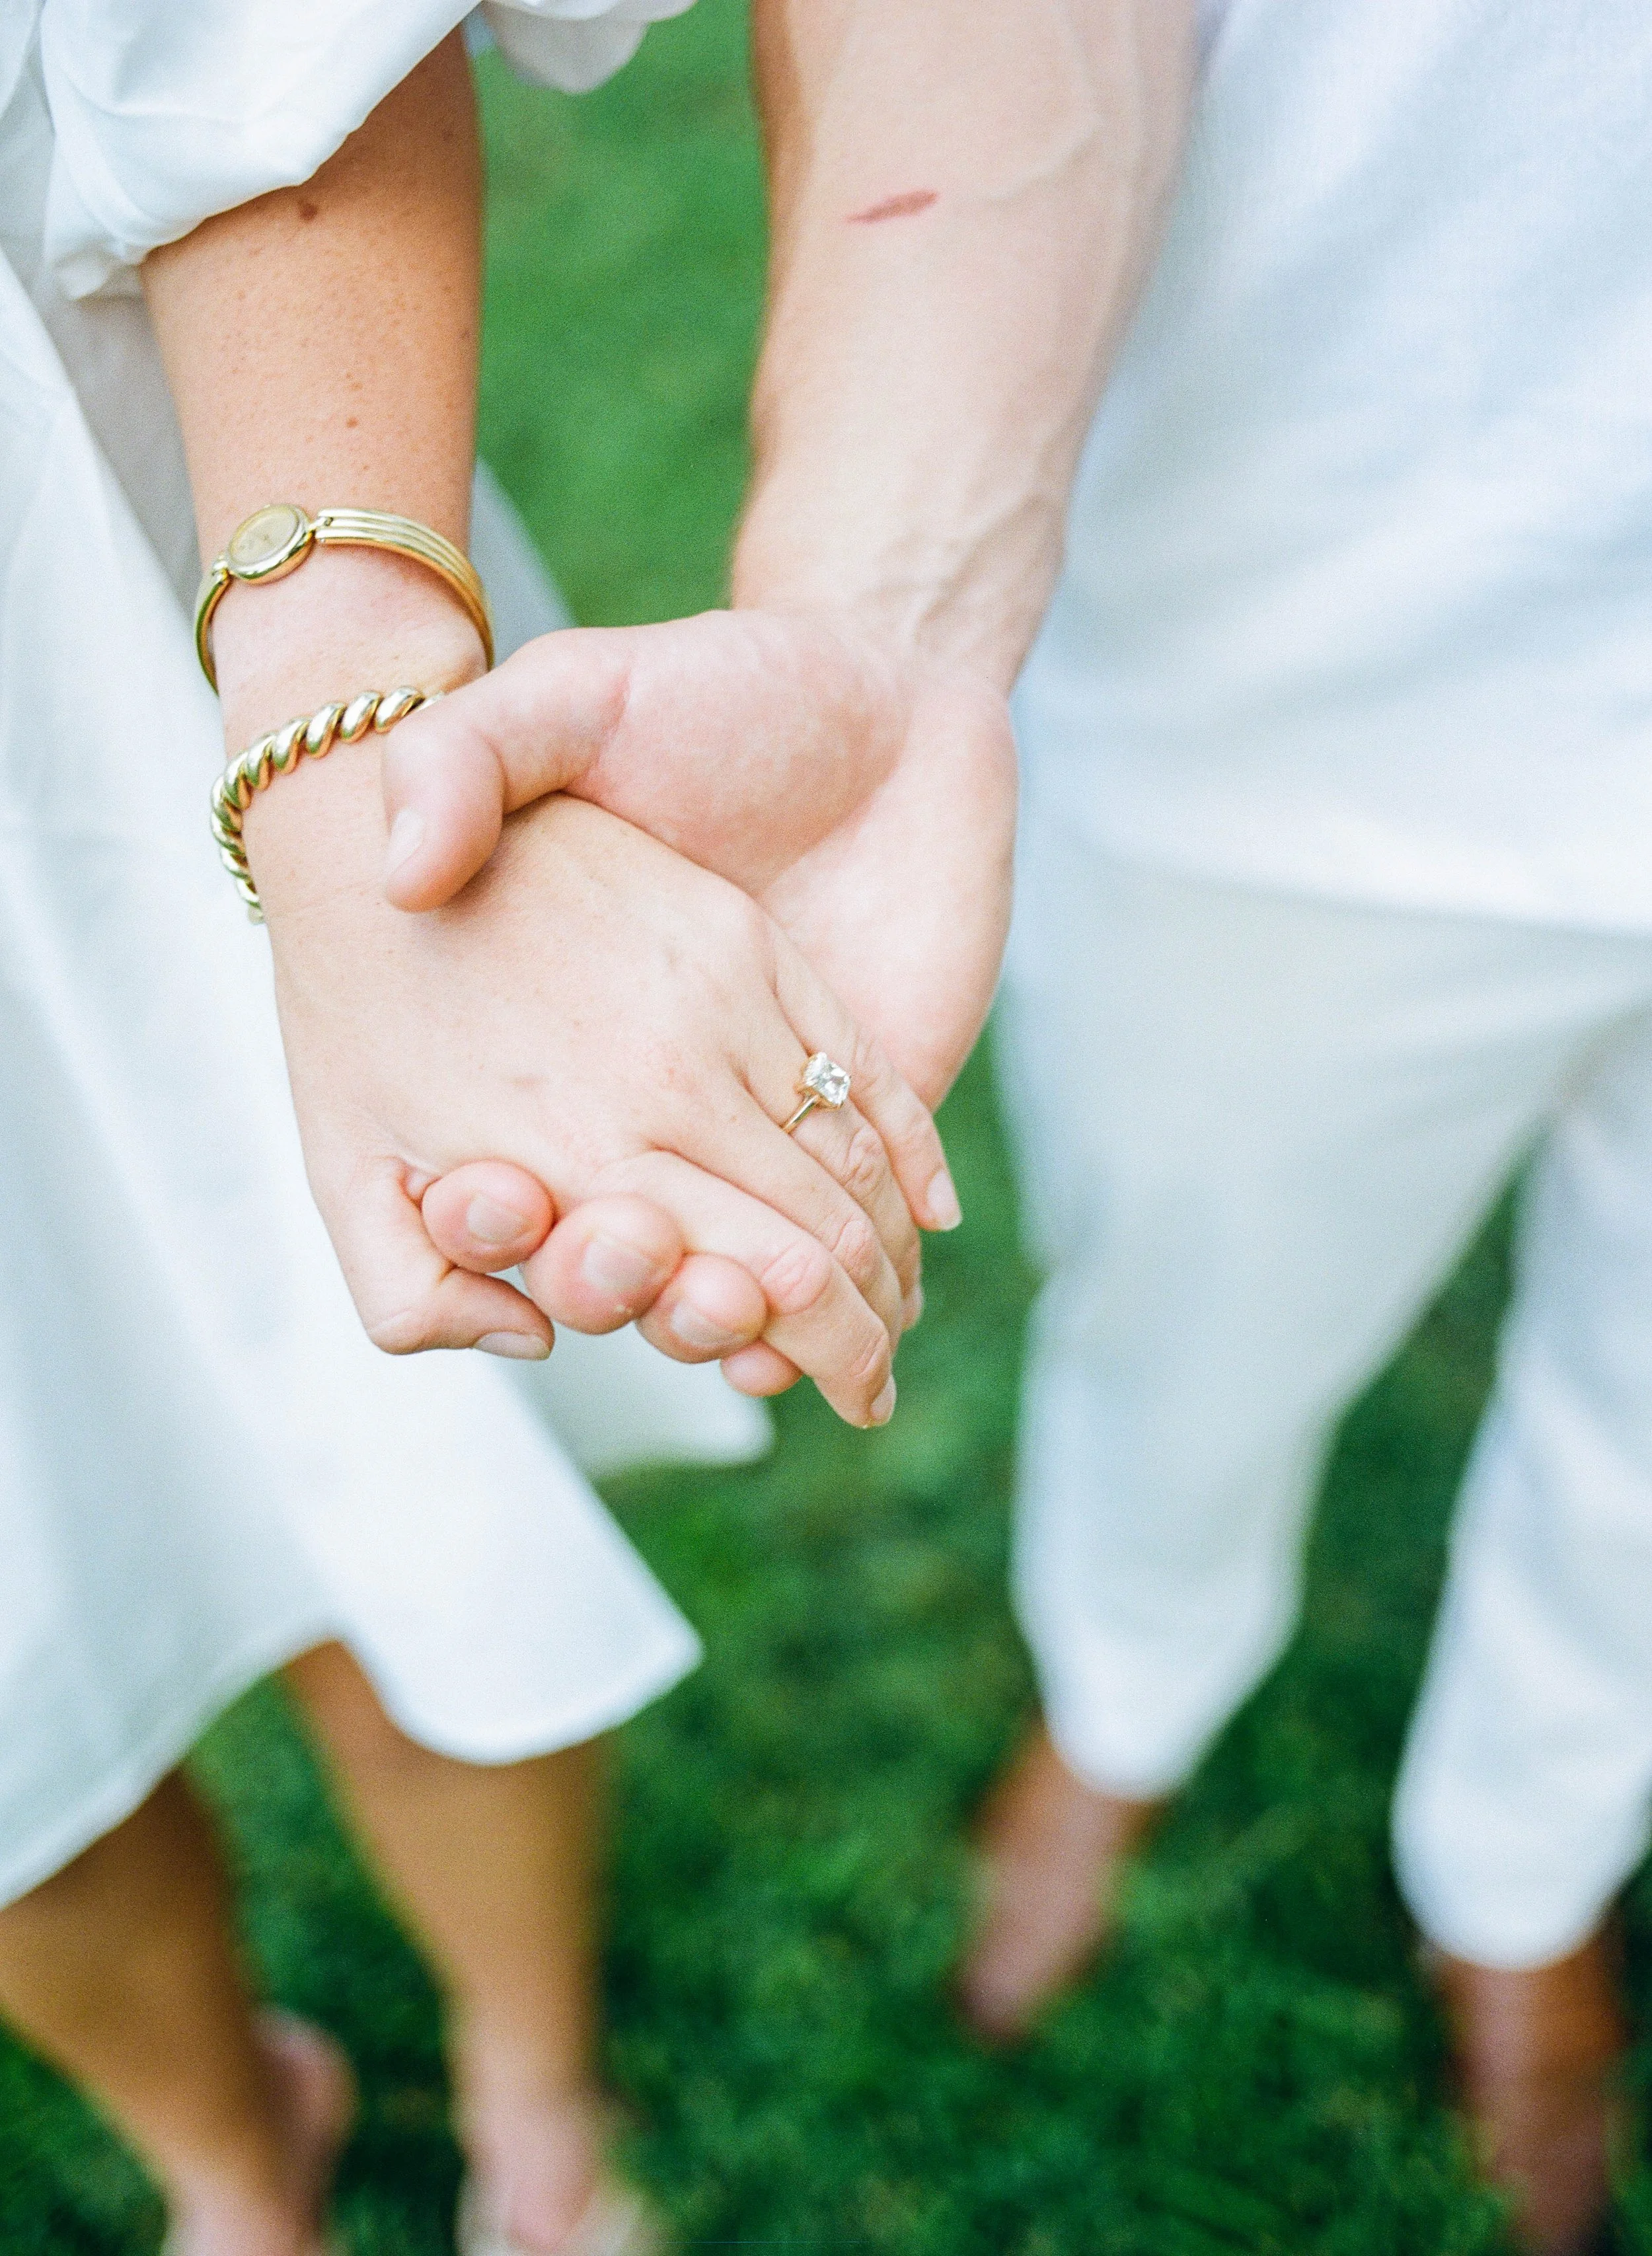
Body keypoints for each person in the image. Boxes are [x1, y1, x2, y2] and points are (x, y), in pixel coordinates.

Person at [393, 3, 1652, 2247]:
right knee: (1196, 1316)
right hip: (1328, 647)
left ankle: (1525, 1865)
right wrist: (883, 620)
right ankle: (1129, 1687)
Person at [0, 7, 989, 2253]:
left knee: (403, 1438)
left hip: (139, 597)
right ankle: (225, 2158)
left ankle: (534, 2093)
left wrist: (345, 759)